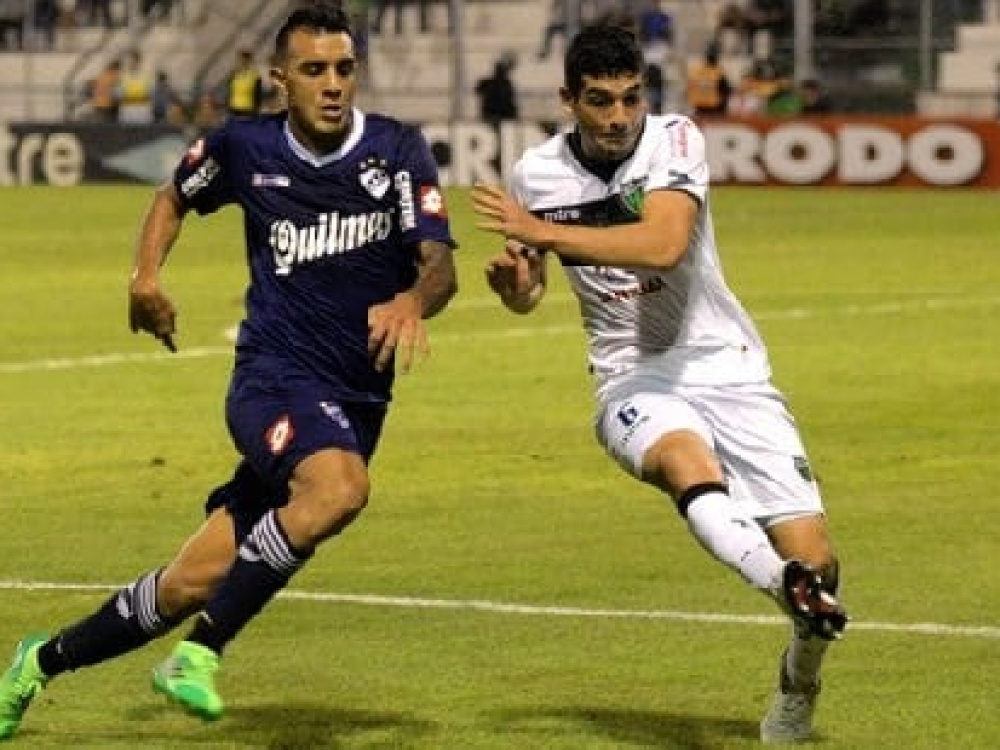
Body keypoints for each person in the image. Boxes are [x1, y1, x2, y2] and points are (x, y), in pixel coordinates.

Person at [0, 2, 457, 740]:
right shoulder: (245, 147)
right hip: (272, 380)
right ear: (281, 79)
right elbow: (171, 197)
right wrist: (144, 278)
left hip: (355, 404)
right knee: (339, 490)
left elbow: (438, 266)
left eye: (344, 68)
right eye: (314, 70)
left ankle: (37, 662)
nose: (333, 83)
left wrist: (412, 299)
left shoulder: (397, 150)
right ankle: (200, 654)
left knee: (190, 582)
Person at [472, 23, 847, 745]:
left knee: (820, 560)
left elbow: (665, 243)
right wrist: (514, 286)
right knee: (684, 462)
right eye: (600, 101)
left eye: (629, 98)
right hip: (631, 375)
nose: (618, 117)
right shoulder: (537, 174)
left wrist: (543, 235)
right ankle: (780, 583)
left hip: (726, 365)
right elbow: (530, 291)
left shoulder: (674, 139)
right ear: (568, 100)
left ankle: (798, 679)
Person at [474, 52, 519, 126]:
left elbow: (477, 90)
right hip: (497, 113)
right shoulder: (505, 83)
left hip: (493, 113)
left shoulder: (489, 82)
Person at [686, 43, 731, 117]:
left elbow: (689, 88)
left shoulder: (697, 71)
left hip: (699, 105)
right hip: (713, 107)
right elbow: (726, 91)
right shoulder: (718, 72)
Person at [223, 49, 264, 118]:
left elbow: (258, 94)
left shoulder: (255, 76)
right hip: (233, 108)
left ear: (249, 61)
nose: (241, 63)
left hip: (248, 109)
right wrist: (227, 105)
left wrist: (256, 109)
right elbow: (229, 91)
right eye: (239, 60)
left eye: (244, 60)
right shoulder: (233, 74)